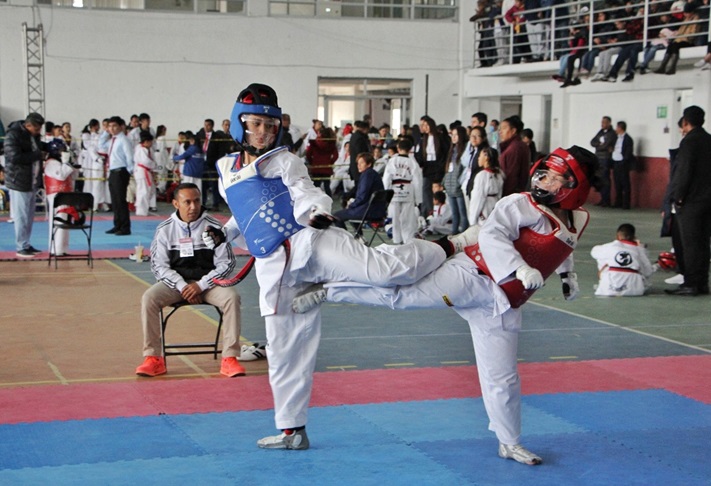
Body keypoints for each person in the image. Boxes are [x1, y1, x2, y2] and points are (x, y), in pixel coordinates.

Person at [202, 83, 471, 450]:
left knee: (385, 272)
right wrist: (225, 233)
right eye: (254, 124)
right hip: (276, 268)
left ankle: (449, 244)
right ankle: (292, 430)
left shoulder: (286, 160)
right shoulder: (224, 167)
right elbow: (244, 211)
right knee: (283, 351)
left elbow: (306, 192)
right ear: (239, 124)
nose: (262, 131)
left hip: (312, 241)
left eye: (269, 124)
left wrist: (316, 212)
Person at [293, 145, 600, 466]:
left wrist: (569, 276)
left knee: (503, 376)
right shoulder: (521, 204)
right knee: (401, 294)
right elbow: (493, 234)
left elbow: (563, 244)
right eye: (545, 173)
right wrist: (518, 269)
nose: (545, 182)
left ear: (575, 187)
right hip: (471, 277)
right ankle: (330, 291)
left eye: (556, 178)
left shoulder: (577, 218)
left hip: (503, 303)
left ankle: (509, 442)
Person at [135, 183, 244, 377]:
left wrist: (201, 286)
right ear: (176, 203)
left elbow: (226, 264)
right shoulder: (165, 230)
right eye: (187, 202)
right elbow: (158, 266)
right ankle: (153, 358)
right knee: (148, 298)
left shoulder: (215, 227)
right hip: (177, 285)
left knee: (231, 297)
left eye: (197, 201)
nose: (193, 206)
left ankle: (230, 358)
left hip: (208, 285)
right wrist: (184, 286)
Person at [665, 105, 711, 296]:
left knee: (690, 244)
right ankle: (702, 282)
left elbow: (684, 172)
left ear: (685, 122)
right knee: (703, 243)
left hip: (691, 201)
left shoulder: (689, 142)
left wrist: (678, 196)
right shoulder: (708, 140)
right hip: (708, 200)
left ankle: (691, 283)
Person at [3, 112, 46, 257]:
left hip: (32, 180)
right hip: (19, 180)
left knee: (29, 215)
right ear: (28, 125)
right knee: (21, 216)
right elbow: (14, 157)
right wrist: (38, 155)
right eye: (36, 129)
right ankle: (21, 246)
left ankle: (26, 243)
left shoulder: (33, 136)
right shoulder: (13, 135)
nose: (38, 132)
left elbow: (37, 148)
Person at [591, 223, 654, 296]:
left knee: (605, 261)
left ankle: (603, 283)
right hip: (635, 289)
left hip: (607, 288)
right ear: (634, 237)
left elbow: (594, 252)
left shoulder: (610, 246)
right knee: (640, 267)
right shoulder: (639, 249)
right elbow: (648, 271)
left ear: (617, 236)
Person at [382, 138, 423, 244]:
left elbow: (386, 178)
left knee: (395, 217)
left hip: (394, 190)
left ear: (398, 148)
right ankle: (407, 240)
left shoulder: (392, 161)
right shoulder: (413, 163)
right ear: (410, 149)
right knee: (407, 218)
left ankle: (396, 239)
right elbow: (418, 181)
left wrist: (386, 193)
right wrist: (418, 199)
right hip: (408, 190)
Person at [98, 116, 134, 236]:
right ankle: (117, 224)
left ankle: (125, 227)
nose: (112, 129)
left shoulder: (124, 140)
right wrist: (105, 132)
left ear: (121, 126)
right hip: (113, 171)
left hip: (121, 171)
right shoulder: (112, 140)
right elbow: (100, 145)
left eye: (114, 126)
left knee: (120, 200)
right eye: (110, 126)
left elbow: (130, 156)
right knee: (115, 200)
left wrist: (129, 171)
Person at [43, 138, 79, 256]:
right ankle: (55, 249)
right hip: (56, 195)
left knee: (65, 221)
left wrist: (72, 164)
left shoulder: (59, 162)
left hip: (66, 194)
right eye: (61, 150)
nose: (63, 152)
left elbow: (72, 175)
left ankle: (63, 248)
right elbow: (61, 176)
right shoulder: (51, 163)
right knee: (58, 221)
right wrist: (66, 163)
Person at [332, 152, 385, 229]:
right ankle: (359, 238)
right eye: (358, 163)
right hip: (377, 210)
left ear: (369, 164)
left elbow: (362, 197)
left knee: (336, 216)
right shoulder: (374, 174)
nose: (358, 165)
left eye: (362, 163)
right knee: (351, 214)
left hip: (368, 211)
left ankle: (346, 238)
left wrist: (351, 205)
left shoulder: (367, 176)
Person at [468, 147, 504, 226]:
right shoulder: (499, 174)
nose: (478, 158)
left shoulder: (482, 175)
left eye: (480, 156)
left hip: (484, 208)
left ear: (486, 157)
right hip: (494, 207)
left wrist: (472, 219)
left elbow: (478, 197)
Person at [443, 126, 470, 234]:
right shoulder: (452, 151)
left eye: (456, 135)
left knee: (463, 214)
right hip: (450, 187)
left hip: (458, 187)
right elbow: (448, 170)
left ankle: (463, 236)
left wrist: (458, 183)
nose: (453, 137)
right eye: (452, 135)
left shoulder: (464, 152)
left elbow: (462, 170)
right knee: (454, 214)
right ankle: (453, 236)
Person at [498, 115, 529, 196]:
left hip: (510, 193)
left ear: (513, 131)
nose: (500, 132)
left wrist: (504, 197)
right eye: (500, 129)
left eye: (504, 128)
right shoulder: (514, 146)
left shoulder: (514, 148)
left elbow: (511, 176)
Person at [590, 116, 617, 207]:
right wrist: (599, 145)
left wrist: (600, 146)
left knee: (605, 179)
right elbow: (592, 142)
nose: (602, 124)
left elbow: (606, 145)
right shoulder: (600, 132)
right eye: (602, 122)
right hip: (598, 158)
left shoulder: (612, 134)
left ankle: (607, 200)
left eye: (605, 122)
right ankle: (602, 198)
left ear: (609, 123)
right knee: (599, 179)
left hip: (605, 158)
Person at [305, 126, 338, 196]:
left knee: (316, 187)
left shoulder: (314, 143)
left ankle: (316, 201)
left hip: (316, 167)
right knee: (327, 187)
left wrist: (312, 162)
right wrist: (330, 162)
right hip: (327, 168)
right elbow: (336, 156)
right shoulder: (331, 144)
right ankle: (329, 202)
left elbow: (308, 154)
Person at [610, 121, 634, 210]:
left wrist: (624, 161)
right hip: (615, 162)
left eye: (617, 127)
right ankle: (618, 202)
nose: (616, 129)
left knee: (625, 184)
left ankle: (626, 203)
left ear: (620, 128)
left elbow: (628, 151)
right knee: (617, 183)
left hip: (623, 163)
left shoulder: (628, 139)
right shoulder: (616, 138)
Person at [133, 131, 157, 216]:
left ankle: (143, 209)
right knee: (143, 191)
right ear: (146, 142)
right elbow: (145, 161)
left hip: (146, 171)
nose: (152, 144)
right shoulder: (140, 149)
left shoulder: (147, 149)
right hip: (142, 171)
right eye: (151, 142)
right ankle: (141, 211)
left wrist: (154, 167)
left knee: (150, 190)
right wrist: (154, 165)